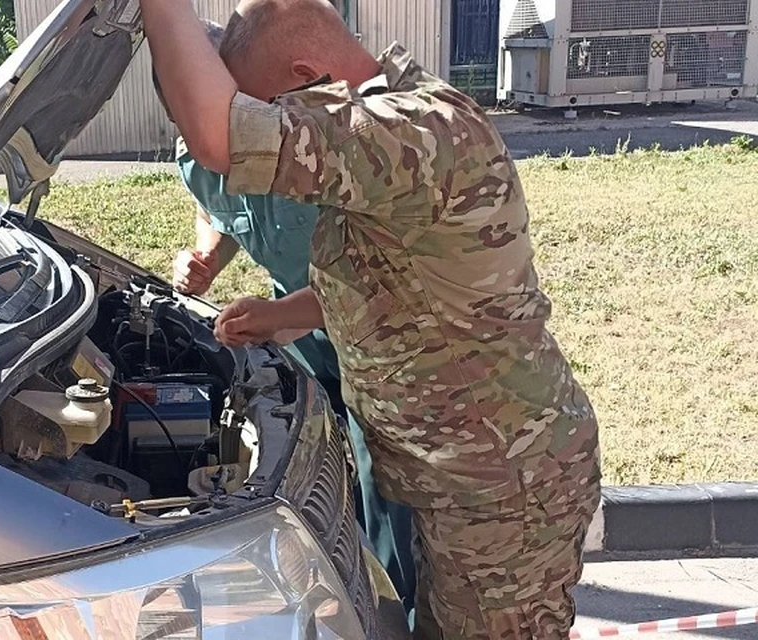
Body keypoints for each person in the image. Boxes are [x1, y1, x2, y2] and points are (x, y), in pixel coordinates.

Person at [142, 1, 602, 638]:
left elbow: (221, 135)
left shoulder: (410, 130)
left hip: (502, 490)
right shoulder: (386, 134)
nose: (279, 125)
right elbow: (384, 285)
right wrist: (280, 315)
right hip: (464, 480)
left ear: (308, 75)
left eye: (272, 105)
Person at [151, 19, 418, 619]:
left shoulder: (324, 143)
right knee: (318, 461)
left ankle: (395, 610)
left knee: (387, 479)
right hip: (297, 327)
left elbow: (370, 284)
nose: (203, 136)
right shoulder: (198, 149)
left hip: (377, 329)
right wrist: (204, 260)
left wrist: (275, 317)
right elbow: (218, 209)